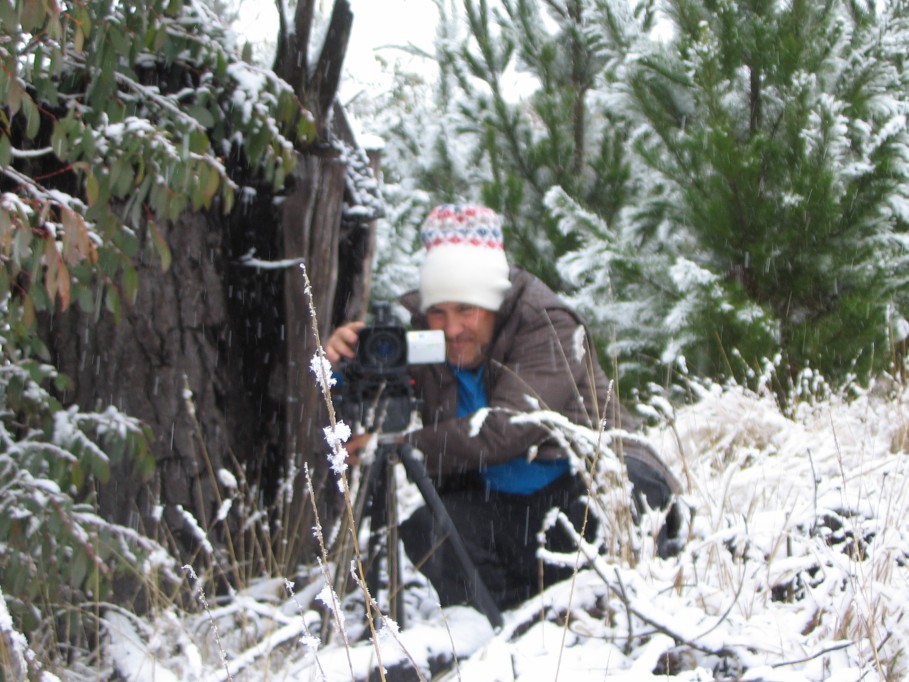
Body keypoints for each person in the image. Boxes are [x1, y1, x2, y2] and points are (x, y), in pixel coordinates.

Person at [327, 204, 682, 610]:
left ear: (494, 303)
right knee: (433, 530)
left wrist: (403, 443)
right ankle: (503, 628)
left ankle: (611, 606)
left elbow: (507, 429)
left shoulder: (545, 322)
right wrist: (339, 368)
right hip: (515, 510)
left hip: (591, 485)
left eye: (467, 309)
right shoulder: (429, 344)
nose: (452, 328)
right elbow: (366, 398)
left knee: (627, 496)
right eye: (438, 311)